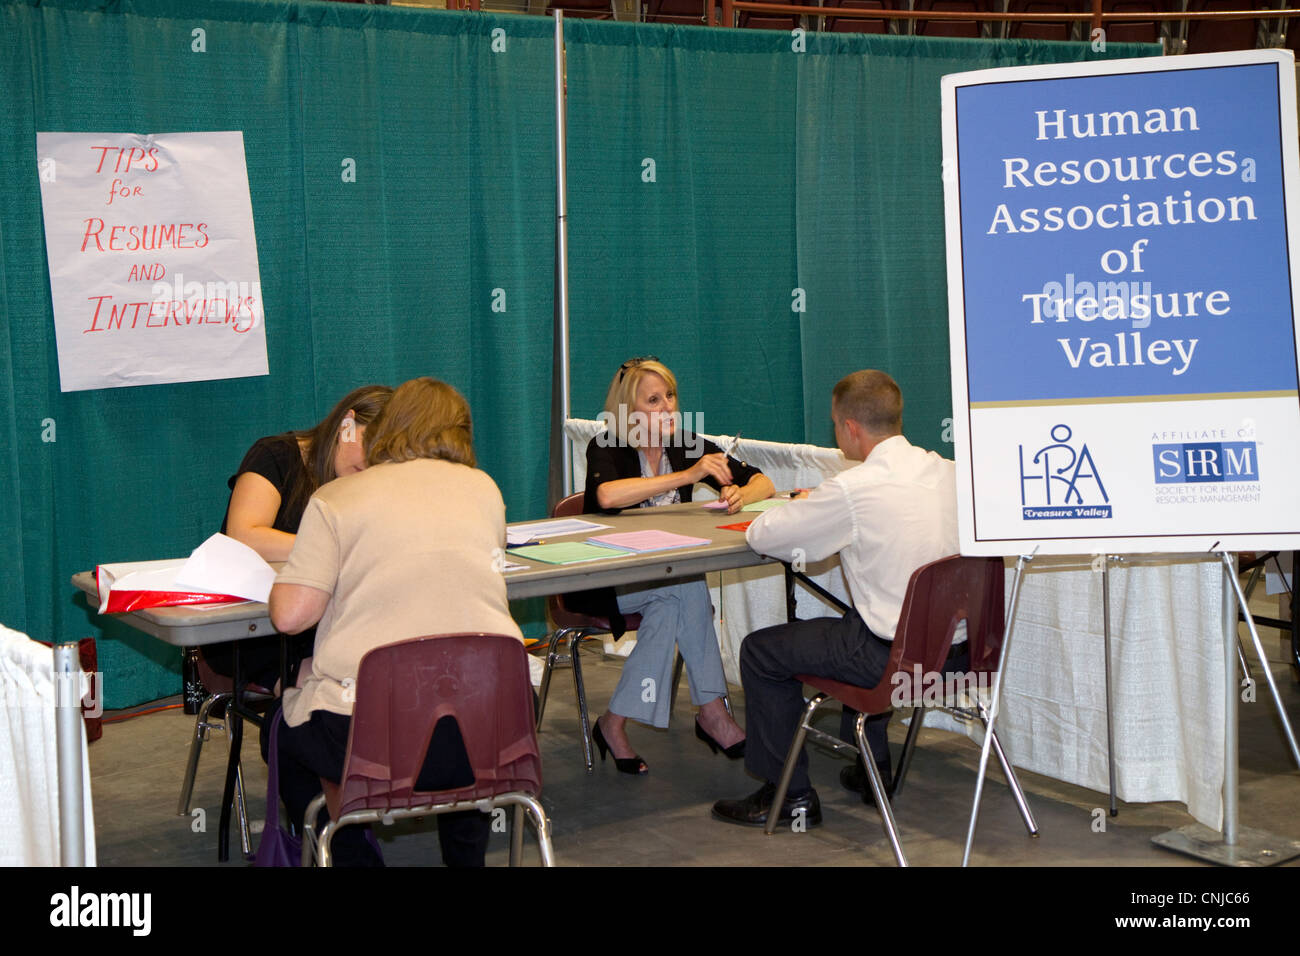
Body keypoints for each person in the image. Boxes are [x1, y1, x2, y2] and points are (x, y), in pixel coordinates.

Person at [269, 377, 521, 867]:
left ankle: (351, 857)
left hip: (373, 737)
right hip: (494, 730)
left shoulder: (338, 498)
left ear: (386, 429)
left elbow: (290, 616)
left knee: (281, 730)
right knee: (459, 706)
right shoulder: (485, 489)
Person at [711, 369, 958, 828]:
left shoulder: (852, 488)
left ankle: (789, 796)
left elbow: (766, 535)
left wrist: (804, 505)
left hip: (891, 661)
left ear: (850, 428)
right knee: (861, 620)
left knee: (762, 651)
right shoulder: (949, 472)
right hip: (960, 656)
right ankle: (872, 769)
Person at [570, 356, 775, 774]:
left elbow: (763, 481)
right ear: (629, 410)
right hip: (609, 578)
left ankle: (613, 723)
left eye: (670, 396)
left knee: (673, 599)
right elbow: (608, 496)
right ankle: (711, 714)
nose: (666, 407)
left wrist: (742, 497)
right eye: (653, 399)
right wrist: (687, 477)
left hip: (662, 580)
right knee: (686, 584)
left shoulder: (685, 443)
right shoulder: (606, 444)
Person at [205, 384, 394, 690]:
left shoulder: (375, 480)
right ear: (346, 424)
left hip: (331, 624)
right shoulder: (275, 455)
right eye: (368, 450)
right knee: (335, 692)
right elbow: (244, 536)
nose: (371, 467)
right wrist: (330, 548)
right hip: (256, 631)